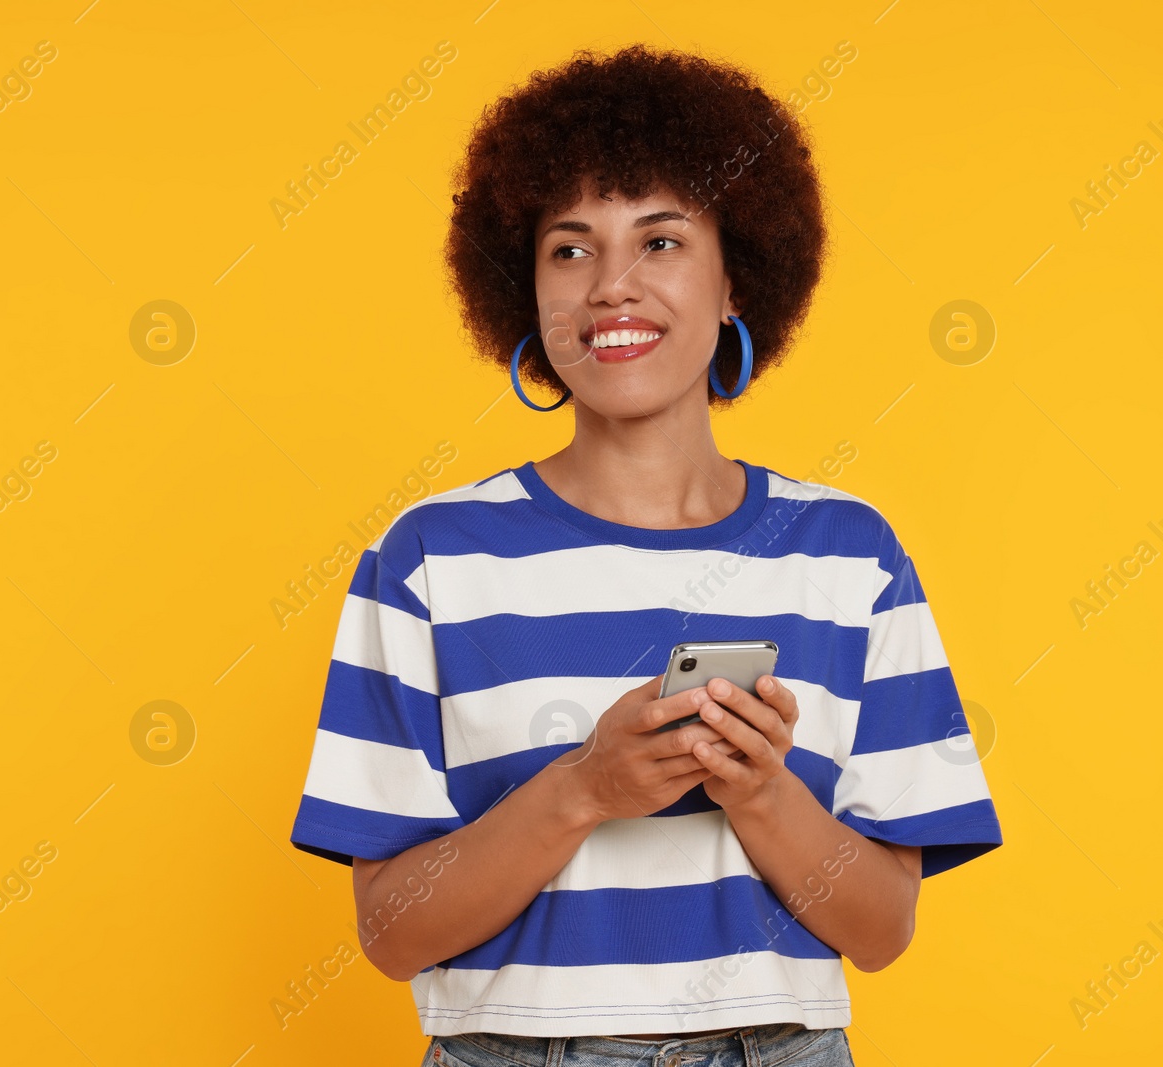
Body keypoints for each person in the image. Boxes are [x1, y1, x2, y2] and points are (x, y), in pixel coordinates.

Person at [288, 42, 1002, 1067]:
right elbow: (392, 932)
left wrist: (761, 790)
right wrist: (586, 784)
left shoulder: (851, 555)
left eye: (660, 242)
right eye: (569, 250)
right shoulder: (428, 559)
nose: (611, 288)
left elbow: (881, 929)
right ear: (524, 291)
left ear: (734, 283)